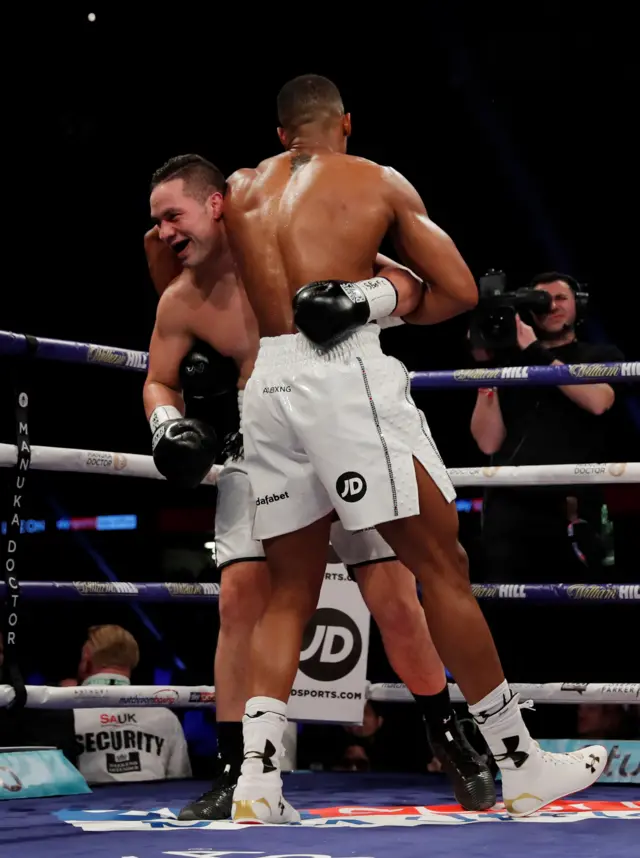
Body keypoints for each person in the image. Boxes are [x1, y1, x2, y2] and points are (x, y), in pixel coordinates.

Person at [221, 74, 607, 823]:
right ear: (348, 124)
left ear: (279, 135)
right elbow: (460, 290)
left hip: (265, 384)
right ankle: (522, 765)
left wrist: (368, 294)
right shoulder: (376, 181)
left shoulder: (239, 191)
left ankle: (257, 786)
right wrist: (380, 293)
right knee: (442, 564)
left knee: (289, 589)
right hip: (344, 380)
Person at [143, 155, 495, 816]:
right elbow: (157, 378)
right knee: (239, 599)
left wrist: (363, 299)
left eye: (172, 217)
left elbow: (409, 281)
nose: (162, 232)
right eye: (156, 222)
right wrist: (168, 425)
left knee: (394, 600)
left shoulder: (296, 237)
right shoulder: (183, 298)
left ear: (218, 204)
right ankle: (237, 767)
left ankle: (449, 734)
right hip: (262, 446)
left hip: (345, 428)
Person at [470, 272, 625, 582]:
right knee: (508, 612)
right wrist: (489, 369)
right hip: (510, 507)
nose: (551, 306)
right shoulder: (509, 363)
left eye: (561, 298)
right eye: (542, 301)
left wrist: (537, 353)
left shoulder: (599, 355)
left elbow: (598, 401)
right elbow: (488, 442)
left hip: (572, 505)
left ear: (579, 305)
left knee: (580, 609)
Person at [72, 625, 192, 783]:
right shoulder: (164, 716)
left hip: (84, 806)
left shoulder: (66, 712)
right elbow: (180, 784)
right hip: (153, 805)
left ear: (87, 657)